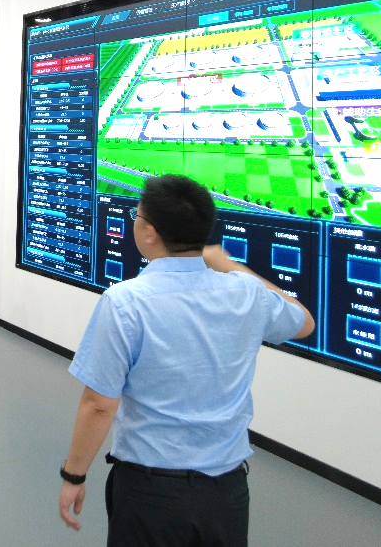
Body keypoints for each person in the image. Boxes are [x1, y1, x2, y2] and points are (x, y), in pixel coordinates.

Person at [57, 174, 315, 545]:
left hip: (151, 494)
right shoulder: (245, 293)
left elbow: (99, 405)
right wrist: (229, 265)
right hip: (227, 493)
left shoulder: (125, 302)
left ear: (150, 233)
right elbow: (304, 322)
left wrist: (74, 476)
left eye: (136, 216)